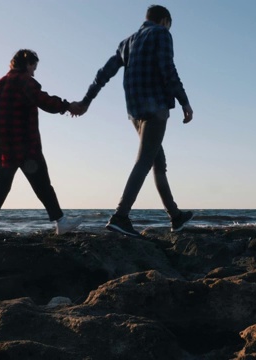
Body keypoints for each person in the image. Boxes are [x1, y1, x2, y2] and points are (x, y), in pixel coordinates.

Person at [71, 5, 194, 237]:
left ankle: (175, 216)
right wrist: (184, 101)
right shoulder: (161, 33)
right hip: (155, 106)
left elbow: (104, 73)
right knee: (145, 161)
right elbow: (168, 69)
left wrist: (87, 100)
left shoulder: (126, 42)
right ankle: (120, 216)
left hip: (135, 111)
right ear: (164, 20)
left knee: (158, 161)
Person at [0, 49, 82, 235]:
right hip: (25, 145)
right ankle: (61, 222)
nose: (34, 72)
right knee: (42, 185)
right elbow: (44, 101)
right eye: (34, 67)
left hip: (2, 147)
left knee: (1, 184)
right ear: (28, 64)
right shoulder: (25, 81)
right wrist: (67, 106)